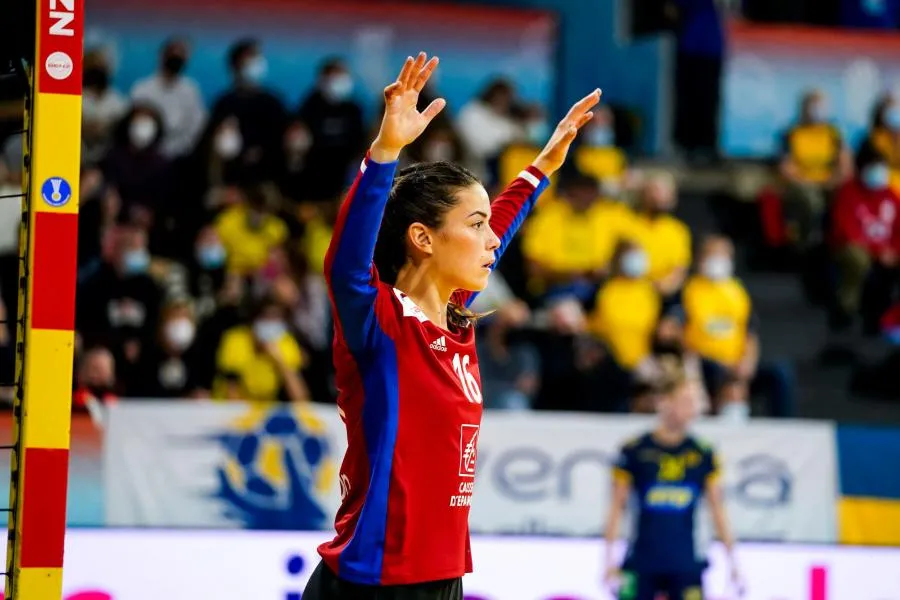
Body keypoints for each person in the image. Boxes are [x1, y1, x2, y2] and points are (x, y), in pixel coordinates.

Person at [303, 52, 599, 598]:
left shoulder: (455, 320)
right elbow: (344, 263)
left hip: (444, 579)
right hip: (375, 582)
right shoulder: (384, 324)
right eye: (475, 223)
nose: (491, 239)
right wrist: (385, 153)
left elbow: (503, 232)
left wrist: (540, 169)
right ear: (422, 238)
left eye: (489, 224)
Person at [603, 358, 740, 600]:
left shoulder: (703, 453)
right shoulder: (634, 450)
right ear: (664, 402)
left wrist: (733, 562)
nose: (693, 408)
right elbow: (616, 508)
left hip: (686, 563)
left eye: (695, 401)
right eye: (686, 401)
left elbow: (717, 510)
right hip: (641, 562)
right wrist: (608, 559)